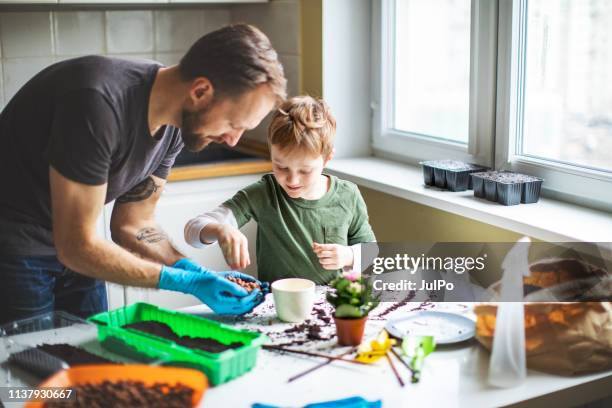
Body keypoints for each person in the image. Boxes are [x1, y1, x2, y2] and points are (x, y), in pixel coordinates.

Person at [0, 24, 287, 325]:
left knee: (90, 352)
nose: (233, 140)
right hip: (15, 249)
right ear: (201, 91)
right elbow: (76, 246)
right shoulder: (97, 103)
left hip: (77, 251)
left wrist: (193, 271)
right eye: (233, 123)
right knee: (29, 363)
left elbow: (133, 223)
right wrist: (181, 282)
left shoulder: (175, 126)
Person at [184, 96, 376, 284]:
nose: (292, 179)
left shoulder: (348, 196)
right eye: (281, 167)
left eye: (305, 170)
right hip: (274, 305)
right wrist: (220, 229)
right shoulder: (264, 193)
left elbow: (372, 254)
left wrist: (349, 255)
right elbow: (193, 231)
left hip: (329, 306)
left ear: (326, 159)